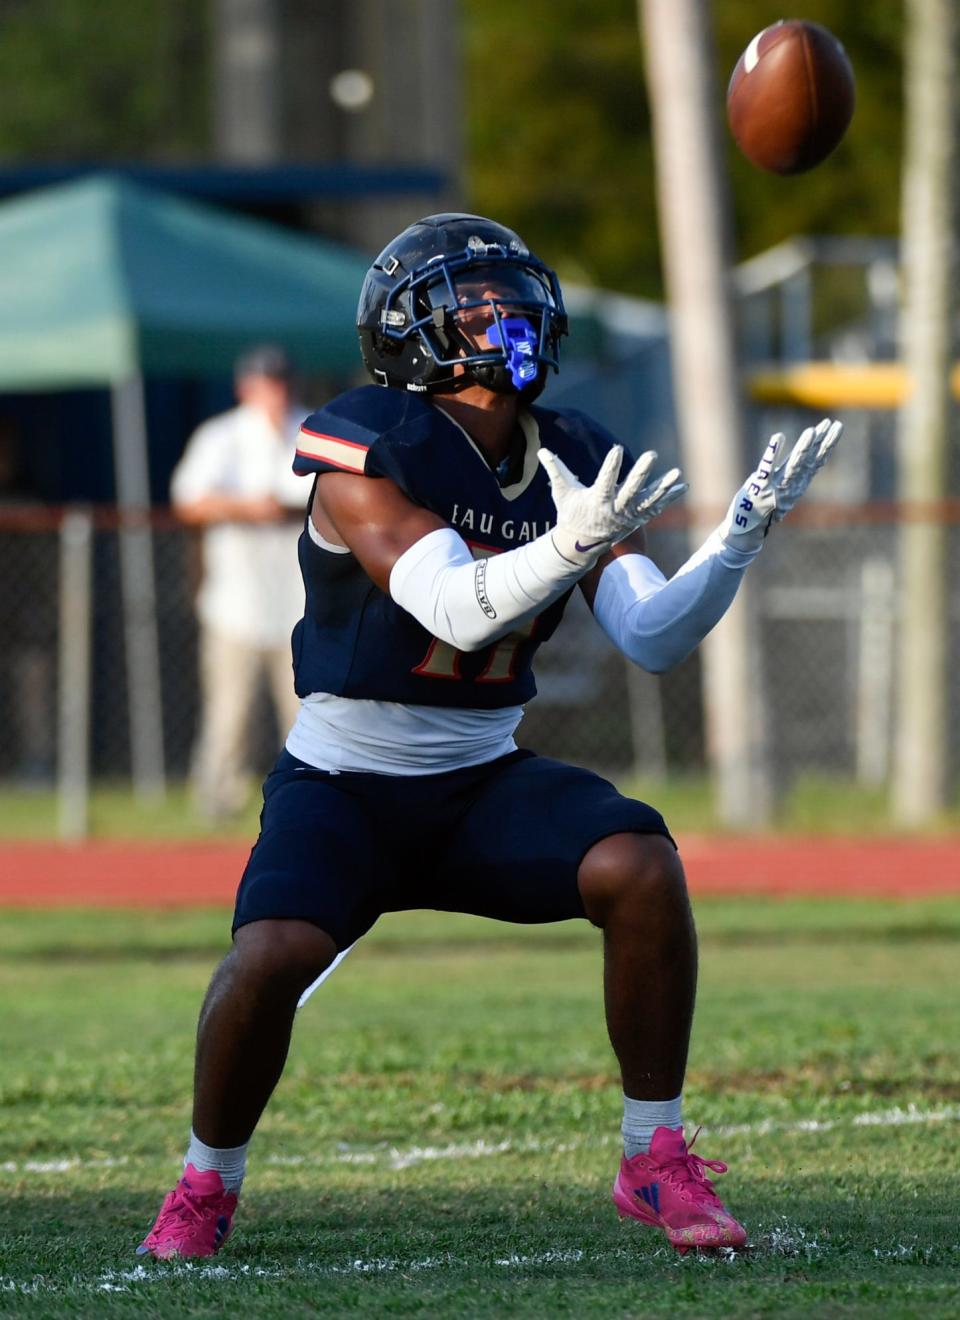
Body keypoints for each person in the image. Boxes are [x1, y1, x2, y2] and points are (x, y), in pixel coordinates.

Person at [139, 214, 841, 1259]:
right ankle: (206, 1182)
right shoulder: (365, 442)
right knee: (271, 954)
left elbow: (648, 637)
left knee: (640, 865)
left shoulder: (571, 454)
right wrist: (568, 546)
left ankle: (654, 1158)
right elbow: (454, 610)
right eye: (474, 299)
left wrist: (736, 544)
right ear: (411, 328)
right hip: (345, 779)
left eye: (512, 294)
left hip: (479, 777)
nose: (505, 314)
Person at [171, 346, 308, 820]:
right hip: (237, 603)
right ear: (245, 386)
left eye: (280, 380)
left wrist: (282, 510)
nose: (274, 390)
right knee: (229, 716)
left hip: (301, 605)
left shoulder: (309, 429)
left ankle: (306, 802)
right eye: (265, 381)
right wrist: (250, 509)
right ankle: (215, 807)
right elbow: (188, 502)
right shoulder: (222, 436)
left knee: (308, 715)